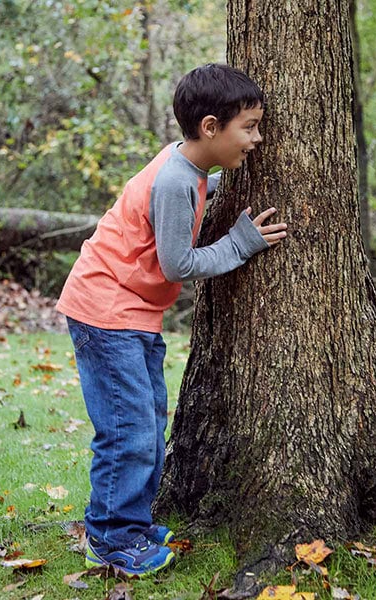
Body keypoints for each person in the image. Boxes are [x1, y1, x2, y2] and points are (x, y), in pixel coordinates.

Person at [56, 63, 287, 577]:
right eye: (248, 127)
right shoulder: (175, 181)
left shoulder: (191, 166)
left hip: (133, 313)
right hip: (106, 311)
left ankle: (130, 523)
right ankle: (111, 539)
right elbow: (177, 263)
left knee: (149, 420)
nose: (257, 139)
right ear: (210, 127)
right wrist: (240, 244)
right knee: (128, 430)